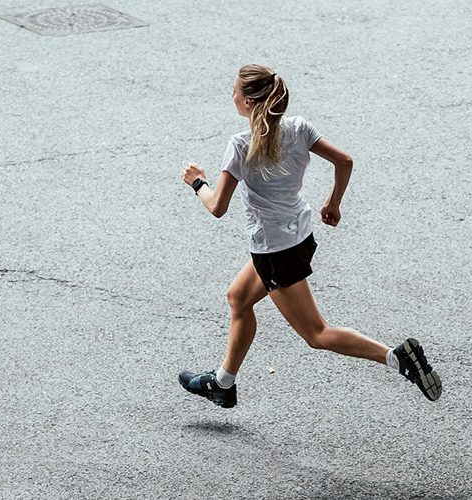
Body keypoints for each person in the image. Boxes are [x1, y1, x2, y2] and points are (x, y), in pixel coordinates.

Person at [178, 64, 442, 408]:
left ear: (247, 102)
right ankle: (223, 383)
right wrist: (333, 203)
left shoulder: (241, 146)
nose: (232, 96)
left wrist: (198, 182)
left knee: (316, 334)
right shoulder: (299, 128)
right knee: (238, 298)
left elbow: (217, 207)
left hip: (275, 252)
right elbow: (344, 161)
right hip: (300, 237)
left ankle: (396, 357)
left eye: (234, 92)